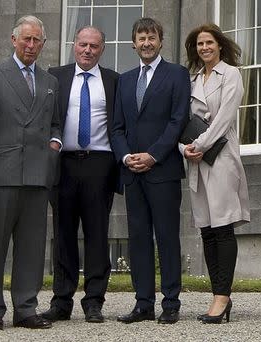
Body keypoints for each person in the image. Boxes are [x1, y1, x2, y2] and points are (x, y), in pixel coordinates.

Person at [0, 15, 61, 331]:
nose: (31, 45)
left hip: (38, 175)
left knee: (31, 247)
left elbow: (55, 122)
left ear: (43, 44)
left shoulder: (50, 81)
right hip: (3, 173)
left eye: (36, 40)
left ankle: (26, 308)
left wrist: (55, 142)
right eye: (25, 39)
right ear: (13, 40)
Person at [110, 17, 190, 324]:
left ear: (160, 41)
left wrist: (153, 155)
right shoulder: (125, 80)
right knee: (138, 238)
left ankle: (170, 303)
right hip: (132, 172)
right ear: (133, 43)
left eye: (151, 37)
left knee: (167, 237)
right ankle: (143, 303)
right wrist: (126, 156)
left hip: (163, 170)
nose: (146, 43)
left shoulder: (177, 75)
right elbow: (117, 127)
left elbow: (178, 120)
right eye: (141, 37)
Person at [42, 26, 119, 324]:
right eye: (83, 44)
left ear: (102, 49)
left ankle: (94, 302)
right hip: (63, 162)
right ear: (74, 45)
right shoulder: (55, 76)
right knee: (62, 233)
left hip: (100, 163)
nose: (88, 50)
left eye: (94, 46)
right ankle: (61, 301)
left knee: (97, 234)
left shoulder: (114, 81)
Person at [182, 23, 250, 324]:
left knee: (223, 227)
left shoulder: (231, 75)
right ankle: (217, 294)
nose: (204, 48)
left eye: (209, 42)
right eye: (199, 44)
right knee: (207, 230)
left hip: (220, 157)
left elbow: (223, 119)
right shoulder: (192, 79)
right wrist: (184, 148)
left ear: (220, 45)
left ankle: (222, 297)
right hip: (196, 160)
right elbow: (181, 120)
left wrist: (197, 143)